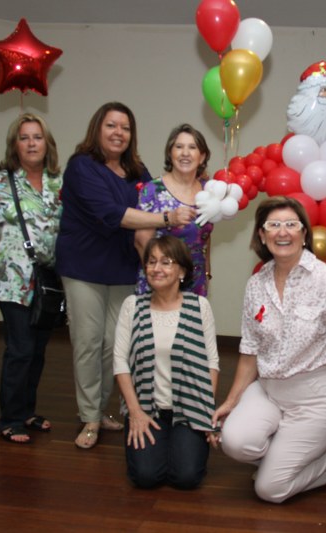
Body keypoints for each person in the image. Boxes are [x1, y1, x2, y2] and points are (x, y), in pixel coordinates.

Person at [213, 196, 326, 504]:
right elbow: (250, 351)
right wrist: (232, 400)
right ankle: (282, 462)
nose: (283, 232)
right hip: (268, 391)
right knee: (234, 442)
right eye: (274, 225)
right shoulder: (256, 284)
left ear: (304, 233)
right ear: (262, 235)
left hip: (315, 398)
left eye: (291, 224)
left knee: (270, 490)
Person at [56, 102, 195, 449]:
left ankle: (100, 408)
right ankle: (89, 417)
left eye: (126, 127)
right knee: (89, 343)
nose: (119, 133)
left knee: (113, 345)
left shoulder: (136, 170)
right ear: (97, 129)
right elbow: (113, 214)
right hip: (84, 268)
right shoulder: (82, 166)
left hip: (123, 268)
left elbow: (156, 198)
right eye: (111, 125)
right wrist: (167, 219)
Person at [114, 236, 219, 489]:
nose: (156, 268)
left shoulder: (200, 306)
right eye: (151, 262)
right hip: (146, 408)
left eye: (166, 262)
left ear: (181, 271)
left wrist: (206, 412)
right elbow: (120, 362)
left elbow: (212, 363)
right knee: (146, 477)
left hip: (190, 408)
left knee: (186, 478)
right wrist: (135, 412)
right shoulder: (132, 306)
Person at [0, 113, 63, 443]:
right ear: (14, 145)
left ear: (47, 144)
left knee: (38, 350)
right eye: (24, 137)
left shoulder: (59, 183)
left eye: (37, 137)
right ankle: (10, 419)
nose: (31, 143)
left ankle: (27, 411)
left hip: (49, 281)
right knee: (20, 349)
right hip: (12, 280)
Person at [135, 124, 213, 296]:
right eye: (179, 147)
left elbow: (205, 237)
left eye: (192, 147)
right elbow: (141, 241)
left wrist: (207, 272)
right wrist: (159, 277)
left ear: (202, 157)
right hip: (159, 283)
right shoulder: (153, 190)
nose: (185, 153)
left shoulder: (209, 190)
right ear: (170, 154)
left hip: (196, 282)